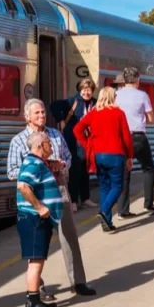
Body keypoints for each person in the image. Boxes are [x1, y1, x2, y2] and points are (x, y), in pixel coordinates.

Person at [7, 99, 95, 298]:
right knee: (38, 243)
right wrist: (39, 167)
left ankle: (78, 282)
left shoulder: (55, 134)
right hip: (35, 194)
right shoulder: (18, 141)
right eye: (37, 113)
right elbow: (12, 172)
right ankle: (38, 287)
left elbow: (69, 158)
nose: (41, 116)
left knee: (69, 236)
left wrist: (61, 164)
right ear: (27, 116)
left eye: (43, 112)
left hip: (58, 189)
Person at [73, 86, 134, 232]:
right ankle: (104, 211)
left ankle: (107, 222)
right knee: (117, 186)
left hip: (98, 156)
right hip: (116, 155)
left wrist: (88, 145)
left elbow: (77, 129)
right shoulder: (119, 113)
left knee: (105, 187)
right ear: (113, 97)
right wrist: (130, 156)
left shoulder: (94, 113)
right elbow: (126, 138)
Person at [15, 130, 61, 307]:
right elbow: (23, 185)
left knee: (38, 260)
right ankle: (32, 303)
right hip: (33, 218)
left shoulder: (39, 163)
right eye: (49, 142)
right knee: (35, 262)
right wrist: (40, 207)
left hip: (35, 219)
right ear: (41, 146)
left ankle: (34, 300)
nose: (51, 145)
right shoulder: (34, 164)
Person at [116, 67, 154, 216]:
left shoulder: (115, 95)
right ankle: (148, 203)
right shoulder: (142, 95)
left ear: (124, 80)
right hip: (138, 137)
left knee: (124, 173)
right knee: (148, 168)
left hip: (121, 138)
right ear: (137, 80)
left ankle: (123, 210)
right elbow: (151, 118)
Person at [64, 79, 98, 209]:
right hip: (75, 140)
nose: (87, 92)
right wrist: (62, 119)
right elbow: (55, 106)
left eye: (89, 89)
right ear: (80, 90)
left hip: (88, 139)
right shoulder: (73, 100)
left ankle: (85, 198)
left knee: (85, 170)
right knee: (75, 170)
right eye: (84, 89)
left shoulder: (95, 103)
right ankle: (73, 200)